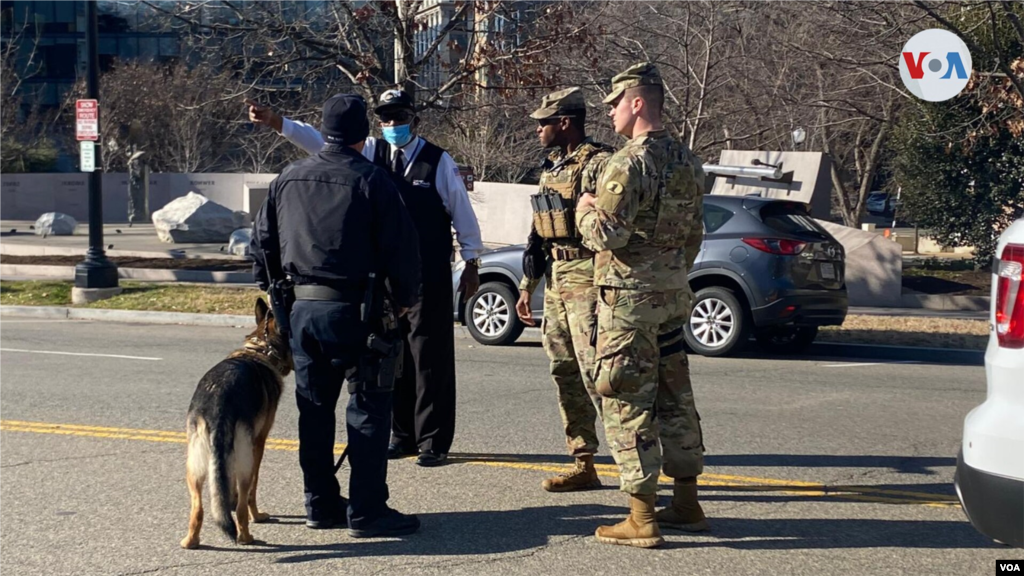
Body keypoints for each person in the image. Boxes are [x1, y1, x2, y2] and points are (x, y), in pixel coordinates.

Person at [248, 90, 483, 467]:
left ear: (414, 119)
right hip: (384, 277)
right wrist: (278, 123)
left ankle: (433, 440)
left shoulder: (437, 161)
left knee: (429, 356)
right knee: (393, 356)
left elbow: (461, 211)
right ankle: (402, 434)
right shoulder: (369, 151)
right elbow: (321, 141)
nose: (392, 125)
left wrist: (472, 261)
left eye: (399, 117)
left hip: (427, 274)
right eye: (385, 119)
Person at [250, 93, 423, 537]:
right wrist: (405, 299)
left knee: (314, 410)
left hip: (301, 312)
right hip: (358, 310)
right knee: (367, 408)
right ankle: (367, 511)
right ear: (363, 136)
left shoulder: (287, 178)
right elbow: (402, 250)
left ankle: (321, 504)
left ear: (324, 131)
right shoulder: (372, 180)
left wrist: (278, 297)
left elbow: (262, 247)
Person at [575, 62, 709, 549]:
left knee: (626, 400)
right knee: (675, 398)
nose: (609, 112)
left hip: (629, 302)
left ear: (637, 102)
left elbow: (608, 234)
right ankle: (687, 503)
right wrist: (670, 272)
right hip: (673, 296)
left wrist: (585, 209)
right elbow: (695, 235)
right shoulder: (689, 161)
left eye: (614, 103)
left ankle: (640, 518)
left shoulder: (627, 163)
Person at [514, 87, 615, 492]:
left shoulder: (600, 164)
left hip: (588, 280)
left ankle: (633, 462)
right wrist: (528, 286)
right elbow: (540, 231)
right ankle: (584, 461)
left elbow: (611, 227)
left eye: (544, 123)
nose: (538, 130)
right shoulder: (551, 168)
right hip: (557, 281)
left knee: (600, 375)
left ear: (566, 123)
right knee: (564, 372)